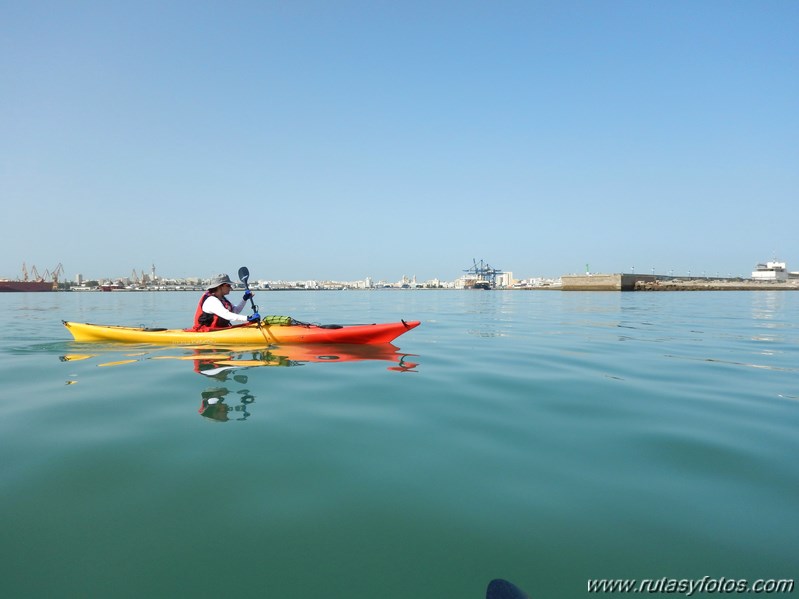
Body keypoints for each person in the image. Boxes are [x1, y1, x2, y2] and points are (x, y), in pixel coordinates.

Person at [193, 274, 260, 330]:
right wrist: (248, 318)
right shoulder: (211, 301)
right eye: (228, 285)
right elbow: (227, 315)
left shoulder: (222, 299)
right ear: (219, 286)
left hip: (219, 330)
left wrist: (244, 299)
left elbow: (235, 311)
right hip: (207, 332)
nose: (230, 288)